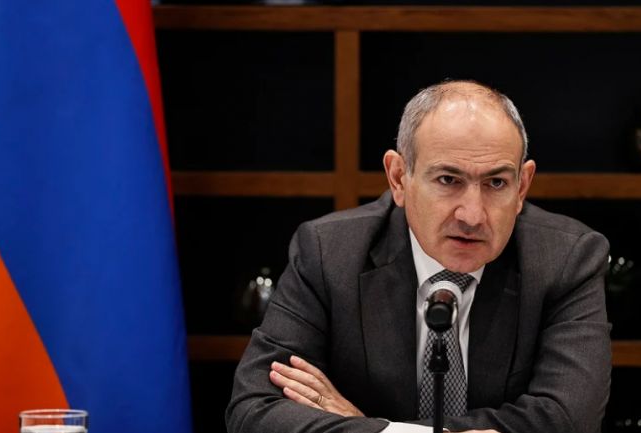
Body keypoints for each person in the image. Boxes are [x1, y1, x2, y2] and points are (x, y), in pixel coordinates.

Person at [226, 80, 612, 433]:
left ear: (522, 186)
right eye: (448, 180)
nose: (472, 215)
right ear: (398, 177)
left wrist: (372, 428)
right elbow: (254, 411)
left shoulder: (566, 259)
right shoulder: (329, 252)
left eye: (496, 182)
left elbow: (568, 420)